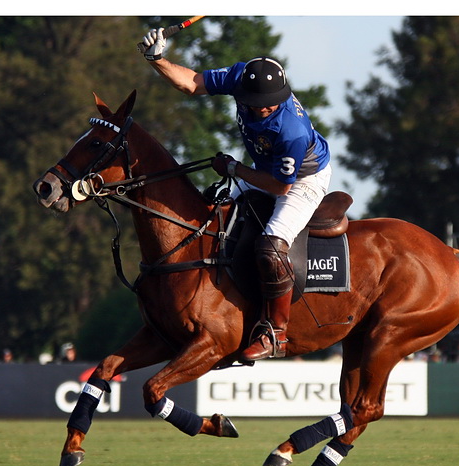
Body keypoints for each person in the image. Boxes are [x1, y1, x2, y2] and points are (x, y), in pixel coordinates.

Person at [142, 30, 332, 361]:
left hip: (302, 179)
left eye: (272, 102)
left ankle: (275, 332)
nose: (266, 108)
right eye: (259, 103)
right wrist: (157, 60)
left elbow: (280, 187)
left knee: (271, 246)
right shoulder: (240, 77)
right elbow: (191, 83)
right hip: (264, 169)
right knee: (212, 217)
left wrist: (234, 169)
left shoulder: (292, 131)